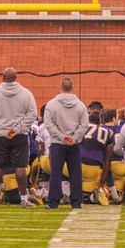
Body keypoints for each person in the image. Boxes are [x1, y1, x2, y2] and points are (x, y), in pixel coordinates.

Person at [0, 67, 39, 207]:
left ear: (2, 77)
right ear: (16, 78)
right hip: (19, 135)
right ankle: (24, 199)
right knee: (20, 168)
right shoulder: (26, 93)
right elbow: (32, 114)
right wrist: (17, 129)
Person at [42, 75, 89, 209]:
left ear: (60, 87)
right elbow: (85, 125)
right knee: (75, 173)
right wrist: (73, 138)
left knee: (56, 173)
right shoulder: (81, 105)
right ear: (73, 87)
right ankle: (76, 202)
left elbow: (49, 124)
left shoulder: (51, 104)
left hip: (57, 143)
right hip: (74, 144)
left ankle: (53, 202)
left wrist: (62, 137)